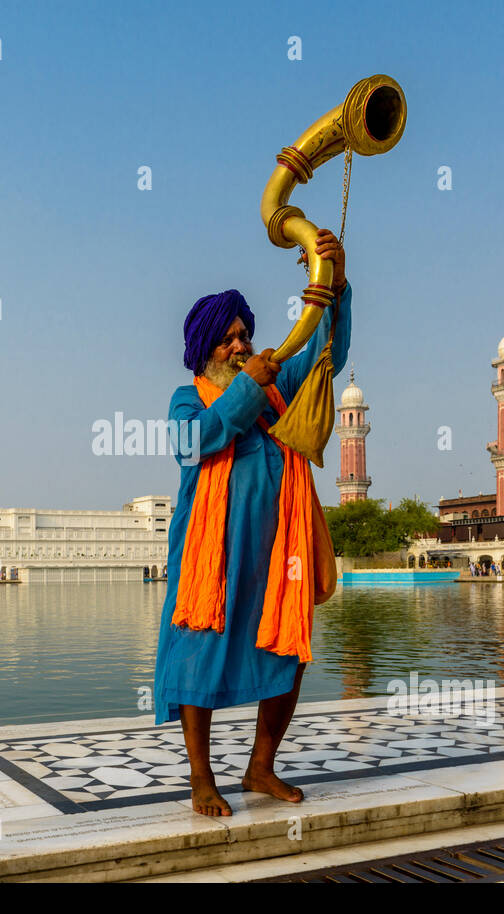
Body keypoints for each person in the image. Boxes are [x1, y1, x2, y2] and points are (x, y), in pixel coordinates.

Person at [155, 228, 350, 818]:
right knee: (198, 657)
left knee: (284, 655)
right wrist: (248, 387)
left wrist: (333, 288)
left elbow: (328, 356)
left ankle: (260, 767)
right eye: (229, 337)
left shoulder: (277, 388)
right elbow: (196, 444)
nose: (241, 343)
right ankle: (201, 779)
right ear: (207, 349)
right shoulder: (187, 399)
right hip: (208, 556)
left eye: (245, 334)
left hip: (278, 551)